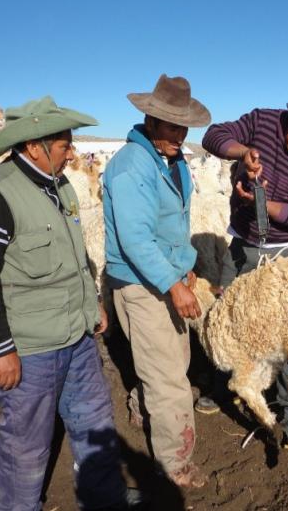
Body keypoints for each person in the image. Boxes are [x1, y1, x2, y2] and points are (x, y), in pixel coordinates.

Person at [0, 96, 141, 511]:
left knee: (95, 426)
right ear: (33, 146)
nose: (72, 152)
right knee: (24, 446)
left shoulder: (60, 187)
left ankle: (104, 499)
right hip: (29, 350)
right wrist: (3, 349)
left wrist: (92, 302)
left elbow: (75, 257)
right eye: (64, 144)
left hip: (76, 339)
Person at [200, 91, 288, 448]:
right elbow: (213, 135)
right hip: (243, 245)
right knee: (225, 317)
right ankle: (225, 386)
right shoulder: (264, 121)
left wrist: (267, 204)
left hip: (287, 255)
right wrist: (241, 153)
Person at [102, 74, 211, 489]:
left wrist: (184, 265)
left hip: (165, 277)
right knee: (169, 381)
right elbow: (135, 238)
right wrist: (174, 283)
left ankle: (140, 404)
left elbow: (172, 225)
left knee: (170, 362)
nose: (179, 136)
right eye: (171, 127)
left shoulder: (173, 160)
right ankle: (175, 464)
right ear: (150, 121)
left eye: (183, 127)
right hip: (141, 283)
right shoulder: (132, 167)